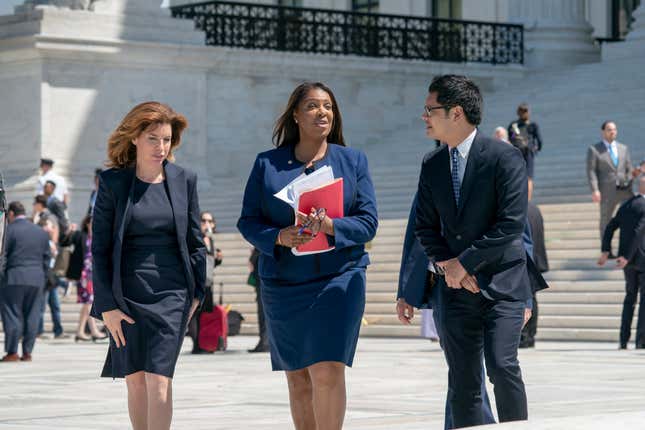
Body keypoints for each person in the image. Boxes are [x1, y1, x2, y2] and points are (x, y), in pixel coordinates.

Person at [237, 82, 378, 430]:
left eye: (328, 106)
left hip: (339, 278)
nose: (322, 113)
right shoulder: (266, 164)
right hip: (284, 284)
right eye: (313, 106)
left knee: (327, 369)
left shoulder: (353, 160)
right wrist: (279, 236)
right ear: (296, 115)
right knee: (297, 376)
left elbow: (368, 222)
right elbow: (248, 221)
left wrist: (331, 226)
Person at [414, 75, 532, 427]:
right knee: (463, 381)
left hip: (503, 284)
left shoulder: (505, 157)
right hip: (453, 291)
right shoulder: (431, 164)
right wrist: (451, 267)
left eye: (429, 109)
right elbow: (424, 227)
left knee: (501, 364)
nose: (424, 117)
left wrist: (464, 265)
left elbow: (510, 225)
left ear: (456, 113)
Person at [90, 101, 206, 430]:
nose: (161, 147)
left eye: (167, 139)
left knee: (160, 380)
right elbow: (99, 249)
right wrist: (107, 306)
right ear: (135, 139)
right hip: (126, 294)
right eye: (153, 138)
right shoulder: (113, 182)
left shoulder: (185, 180)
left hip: (173, 293)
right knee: (136, 380)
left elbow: (196, 242)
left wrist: (198, 292)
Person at [598, 175, 645, 349]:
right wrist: (627, 255)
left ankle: (623, 340)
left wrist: (606, 250)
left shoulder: (626, 206)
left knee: (629, 298)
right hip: (639, 258)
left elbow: (610, 227)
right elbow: (639, 232)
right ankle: (641, 341)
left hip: (628, 262)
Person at [0, 202, 50, 362]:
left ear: (11, 214)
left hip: (13, 277)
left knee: (12, 314)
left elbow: (3, 256)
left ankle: (12, 351)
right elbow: (47, 258)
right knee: (33, 315)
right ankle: (27, 352)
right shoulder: (40, 232)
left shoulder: (9, 230)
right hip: (37, 279)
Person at [587, 121, 634, 239]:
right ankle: (606, 250)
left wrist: (629, 181)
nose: (613, 132)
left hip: (625, 191)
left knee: (629, 219)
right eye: (609, 129)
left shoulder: (624, 148)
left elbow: (629, 168)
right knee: (606, 220)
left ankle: (626, 249)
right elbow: (591, 171)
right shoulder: (594, 150)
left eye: (614, 129)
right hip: (607, 191)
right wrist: (595, 190)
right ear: (603, 132)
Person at [66, 214, 106, 342]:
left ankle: (81, 331)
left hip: (94, 275)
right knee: (89, 302)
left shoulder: (100, 238)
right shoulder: (80, 236)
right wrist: (69, 231)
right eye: (92, 223)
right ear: (87, 224)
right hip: (84, 275)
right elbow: (64, 242)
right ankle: (93, 331)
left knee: (88, 303)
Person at [521, 201, 549, 348]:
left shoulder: (520, 207)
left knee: (528, 296)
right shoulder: (534, 209)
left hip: (527, 258)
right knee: (532, 296)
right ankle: (530, 335)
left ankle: (526, 335)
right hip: (536, 256)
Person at [507, 104, 543, 201]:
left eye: (525, 111)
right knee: (528, 178)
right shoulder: (533, 125)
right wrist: (537, 149)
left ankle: (519, 199)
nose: (525, 113)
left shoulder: (513, 125)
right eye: (525, 111)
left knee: (518, 177)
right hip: (528, 152)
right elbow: (540, 141)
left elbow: (510, 139)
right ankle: (528, 201)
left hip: (516, 153)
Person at [247, 247, 269, 353]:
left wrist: (252, 258)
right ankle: (264, 342)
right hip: (263, 281)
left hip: (263, 282)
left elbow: (252, 261)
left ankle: (264, 343)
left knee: (263, 314)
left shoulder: (260, 246)